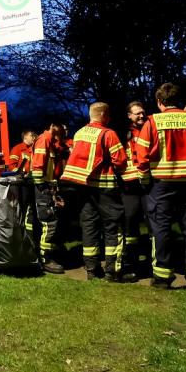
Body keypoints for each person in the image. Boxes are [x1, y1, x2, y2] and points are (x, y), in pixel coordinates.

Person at [136, 83, 186, 289]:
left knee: (161, 228)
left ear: (159, 101)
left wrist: (144, 181)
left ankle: (163, 277)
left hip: (162, 183)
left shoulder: (153, 122)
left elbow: (142, 156)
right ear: (178, 100)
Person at [60, 102, 128, 281]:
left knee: (89, 226)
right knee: (113, 227)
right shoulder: (109, 133)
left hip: (84, 187)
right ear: (104, 114)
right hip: (106, 188)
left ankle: (92, 270)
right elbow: (120, 161)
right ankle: (112, 271)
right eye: (109, 114)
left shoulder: (79, 133)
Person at [30, 121, 67, 274]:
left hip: (48, 187)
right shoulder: (44, 140)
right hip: (42, 189)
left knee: (51, 222)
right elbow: (38, 168)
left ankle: (48, 254)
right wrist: (44, 190)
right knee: (48, 223)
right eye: (62, 126)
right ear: (53, 125)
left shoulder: (52, 142)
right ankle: (45, 259)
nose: (65, 129)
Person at [120, 101, 149, 279]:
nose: (141, 116)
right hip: (129, 185)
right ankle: (130, 264)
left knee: (154, 223)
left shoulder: (150, 129)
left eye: (142, 112)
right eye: (137, 113)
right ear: (129, 115)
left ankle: (156, 265)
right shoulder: (123, 133)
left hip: (148, 184)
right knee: (130, 223)